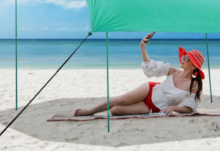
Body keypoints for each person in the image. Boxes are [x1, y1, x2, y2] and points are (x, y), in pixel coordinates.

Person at [74, 34, 205, 116]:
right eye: (183, 57)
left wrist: (174, 108)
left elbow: (190, 108)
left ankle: (103, 108)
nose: (182, 59)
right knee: (120, 100)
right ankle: (90, 111)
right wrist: (142, 47)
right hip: (150, 89)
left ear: (193, 66)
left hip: (154, 107)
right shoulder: (173, 71)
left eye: (186, 58)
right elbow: (150, 68)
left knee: (115, 110)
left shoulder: (194, 85)